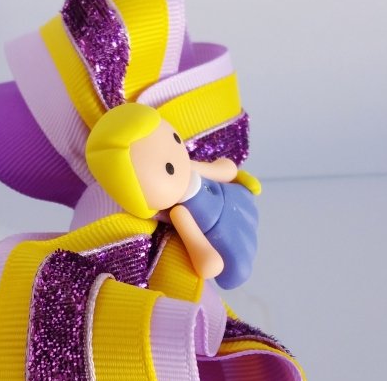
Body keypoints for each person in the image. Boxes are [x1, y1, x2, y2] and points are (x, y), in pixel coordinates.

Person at [85, 103, 259, 289]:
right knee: (239, 269)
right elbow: (205, 257)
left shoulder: (191, 166)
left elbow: (226, 170)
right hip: (221, 234)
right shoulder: (180, 213)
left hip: (236, 199)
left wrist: (236, 177)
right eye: (169, 168)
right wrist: (210, 261)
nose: (176, 156)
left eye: (175, 139)